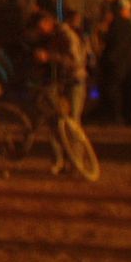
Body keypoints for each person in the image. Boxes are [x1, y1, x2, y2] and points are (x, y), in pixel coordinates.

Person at [24, 11, 89, 174]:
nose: (39, 32)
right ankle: (58, 161)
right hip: (58, 82)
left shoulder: (67, 35)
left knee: (72, 122)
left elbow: (75, 60)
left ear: (48, 23)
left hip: (75, 81)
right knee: (54, 121)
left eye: (40, 28)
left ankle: (76, 161)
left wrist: (50, 56)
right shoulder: (49, 37)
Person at [89, 0, 131, 125]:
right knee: (126, 88)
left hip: (120, 58)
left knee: (113, 87)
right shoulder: (129, 22)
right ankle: (127, 116)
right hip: (127, 58)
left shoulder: (121, 16)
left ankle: (114, 114)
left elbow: (120, 39)